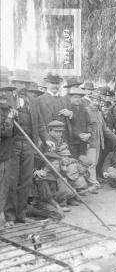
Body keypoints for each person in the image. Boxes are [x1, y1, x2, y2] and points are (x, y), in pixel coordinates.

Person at [4, 76, 54, 226]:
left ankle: (21, 214)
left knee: (25, 180)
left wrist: (46, 139)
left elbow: (39, 123)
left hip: (29, 144)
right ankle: (10, 216)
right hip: (12, 145)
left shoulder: (32, 100)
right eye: (20, 83)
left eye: (25, 83)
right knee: (12, 180)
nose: (23, 86)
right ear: (14, 84)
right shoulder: (6, 100)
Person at [86, 91, 116, 189]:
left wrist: (115, 137)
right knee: (91, 162)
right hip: (90, 142)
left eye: (98, 100)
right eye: (94, 100)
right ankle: (92, 182)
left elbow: (105, 128)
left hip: (99, 141)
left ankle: (93, 181)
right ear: (91, 100)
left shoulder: (99, 113)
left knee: (95, 162)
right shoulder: (86, 111)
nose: (96, 102)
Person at [0, 79, 17, 227]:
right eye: (2, 91)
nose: (5, 94)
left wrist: (13, 117)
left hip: (6, 154)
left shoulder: (8, 110)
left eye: (8, 91)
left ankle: (5, 216)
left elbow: (14, 133)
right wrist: (9, 119)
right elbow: (4, 132)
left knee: (6, 186)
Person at [67, 87, 91, 158]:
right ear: (70, 98)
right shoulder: (68, 109)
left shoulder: (84, 110)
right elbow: (69, 126)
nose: (77, 99)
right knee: (73, 162)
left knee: (83, 162)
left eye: (79, 97)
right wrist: (79, 134)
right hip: (72, 142)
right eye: (75, 97)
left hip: (83, 142)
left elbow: (89, 123)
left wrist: (89, 134)